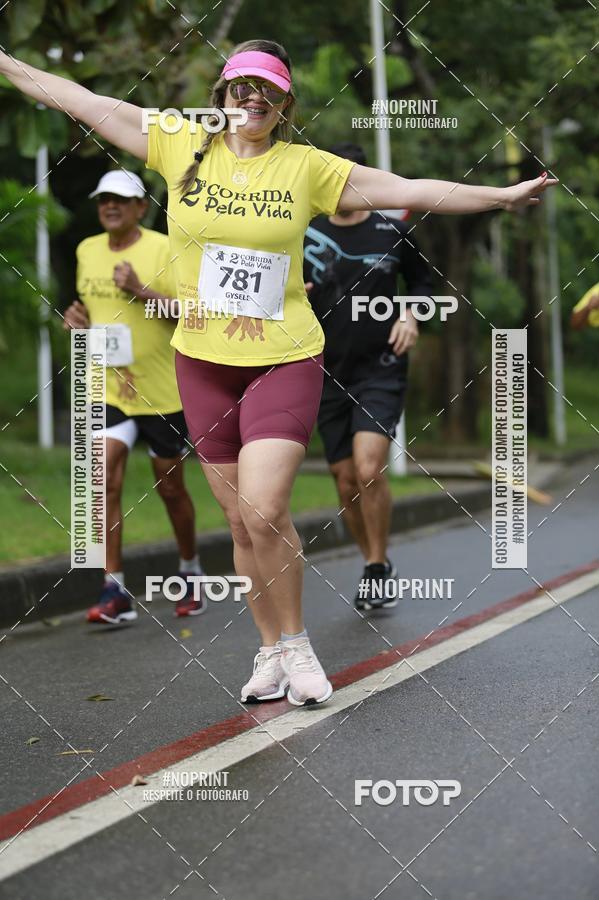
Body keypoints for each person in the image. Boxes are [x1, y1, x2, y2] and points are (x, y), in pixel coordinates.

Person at [0, 39, 556, 706]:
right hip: (202, 362)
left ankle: (296, 643)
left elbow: (408, 189)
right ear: (222, 93)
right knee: (238, 524)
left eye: (267, 92)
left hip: (284, 356)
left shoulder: (306, 168)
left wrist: (501, 194)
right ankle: (267, 651)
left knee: (265, 510)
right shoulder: (181, 142)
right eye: (241, 88)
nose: (252, 101)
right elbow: (79, 100)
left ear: (285, 104)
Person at [63, 170, 205, 624]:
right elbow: (87, 308)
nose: (111, 207)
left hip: (161, 392)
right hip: (104, 384)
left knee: (171, 488)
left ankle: (189, 570)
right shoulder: (87, 250)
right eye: (105, 199)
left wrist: (142, 291)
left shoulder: (164, 247)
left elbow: (193, 311)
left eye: (121, 201)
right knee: (102, 477)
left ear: (142, 207)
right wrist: (75, 321)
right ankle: (115, 589)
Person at [304, 142, 432, 611]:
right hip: (323, 370)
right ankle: (370, 560)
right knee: (342, 479)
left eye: (349, 176)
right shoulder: (306, 232)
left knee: (367, 467)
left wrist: (412, 315)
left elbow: (423, 282)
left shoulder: (392, 231)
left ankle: (378, 567)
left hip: (380, 367)